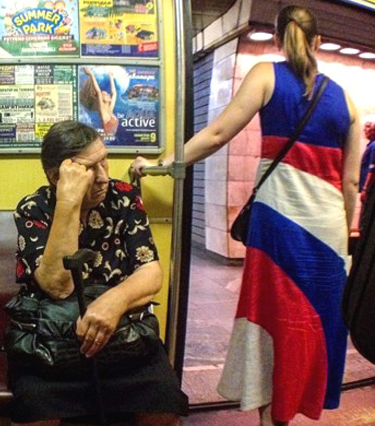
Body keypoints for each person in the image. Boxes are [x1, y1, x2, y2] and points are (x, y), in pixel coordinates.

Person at [132, 5, 360, 426]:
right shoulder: (346, 100)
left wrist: (161, 163)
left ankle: (270, 414)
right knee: (314, 321)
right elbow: (350, 183)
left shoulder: (264, 76)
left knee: (273, 317)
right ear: (318, 42)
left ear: (277, 39)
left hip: (277, 224)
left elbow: (218, 133)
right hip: (328, 232)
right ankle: (293, 407)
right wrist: (346, 235)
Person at [10, 120, 188, 426]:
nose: (104, 176)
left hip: (122, 335)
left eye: (104, 160)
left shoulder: (124, 197)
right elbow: (57, 286)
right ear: (56, 175)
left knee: (163, 402)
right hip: (52, 344)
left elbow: (150, 272)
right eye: (90, 169)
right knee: (35, 408)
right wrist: (68, 202)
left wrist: (113, 303)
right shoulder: (33, 208)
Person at [81, 67, 119, 136]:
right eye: (105, 94)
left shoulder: (110, 109)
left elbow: (114, 93)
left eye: (107, 94)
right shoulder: (103, 112)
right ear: (102, 99)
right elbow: (98, 91)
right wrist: (91, 75)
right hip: (108, 136)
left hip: (110, 136)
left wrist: (111, 78)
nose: (108, 94)